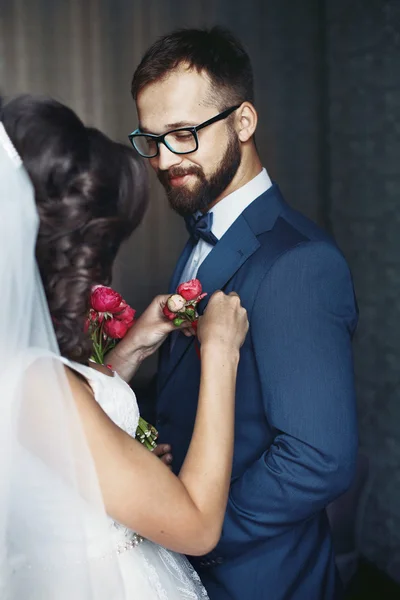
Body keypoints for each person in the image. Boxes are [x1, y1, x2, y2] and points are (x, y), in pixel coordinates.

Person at [114, 27, 359, 600]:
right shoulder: (204, 229)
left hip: (260, 579)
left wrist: (188, 528)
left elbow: (317, 460)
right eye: (151, 141)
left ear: (243, 123)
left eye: (182, 135)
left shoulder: (301, 262)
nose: (164, 160)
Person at [0, 94, 248, 600]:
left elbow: (55, 442)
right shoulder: (32, 382)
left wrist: (131, 349)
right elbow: (197, 526)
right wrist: (221, 352)